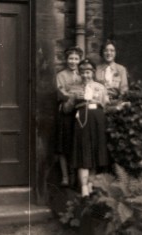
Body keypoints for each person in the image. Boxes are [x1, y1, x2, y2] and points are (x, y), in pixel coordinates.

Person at [71, 59, 109, 197]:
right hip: (82, 121)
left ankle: (91, 185)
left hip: (98, 120)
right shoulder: (74, 88)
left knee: (94, 152)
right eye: (82, 72)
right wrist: (74, 99)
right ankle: (84, 189)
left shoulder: (100, 87)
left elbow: (106, 105)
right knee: (83, 153)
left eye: (88, 72)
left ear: (93, 72)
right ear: (79, 73)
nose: (85, 75)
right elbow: (67, 108)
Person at [55, 46, 83, 187]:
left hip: (79, 113)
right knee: (63, 146)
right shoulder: (61, 75)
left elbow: (86, 89)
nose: (73, 61)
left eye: (76, 59)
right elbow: (61, 93)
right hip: (66, 113)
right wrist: (74, 95)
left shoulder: (83, 75)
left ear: (80, 60)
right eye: (70, 58)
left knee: (75, 145)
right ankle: (65, 176)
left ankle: (74, 175)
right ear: (66, 60)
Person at [96, 40, 129, 107]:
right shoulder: (97, 69)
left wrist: (118, 102)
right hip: (99, 103)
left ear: (115, 53)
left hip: (116, 103)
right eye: (106, 50)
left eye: (112, 51)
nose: (109, 53)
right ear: (102, 52)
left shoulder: (121, 69)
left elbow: (124, 89)